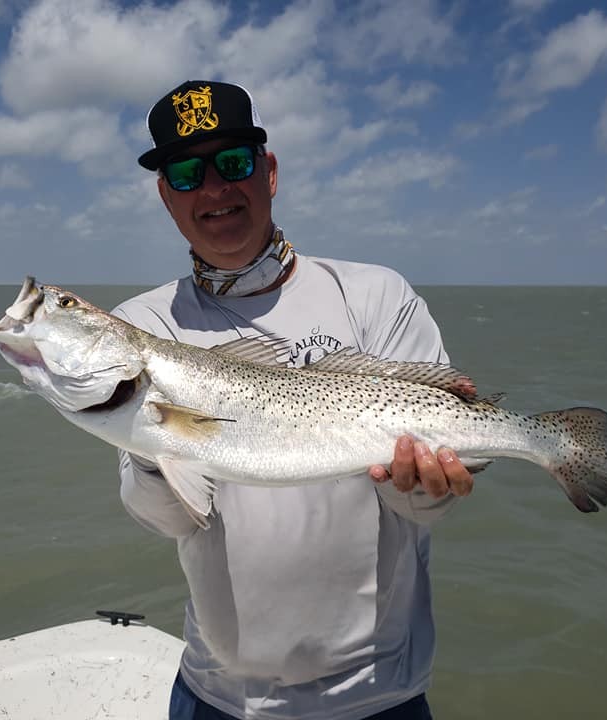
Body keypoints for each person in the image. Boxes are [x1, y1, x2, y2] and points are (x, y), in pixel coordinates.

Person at [114, 80, 473, 720]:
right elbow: (165, 518)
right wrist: (151, 438)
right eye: (187, 174)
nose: (214, 189)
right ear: (166, 195)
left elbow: (425, 508)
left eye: (233, 163)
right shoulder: (145, 328)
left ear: (270, 172)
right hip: (219, 697)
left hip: (380, 695)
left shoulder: (375, 296)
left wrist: (424, 484)